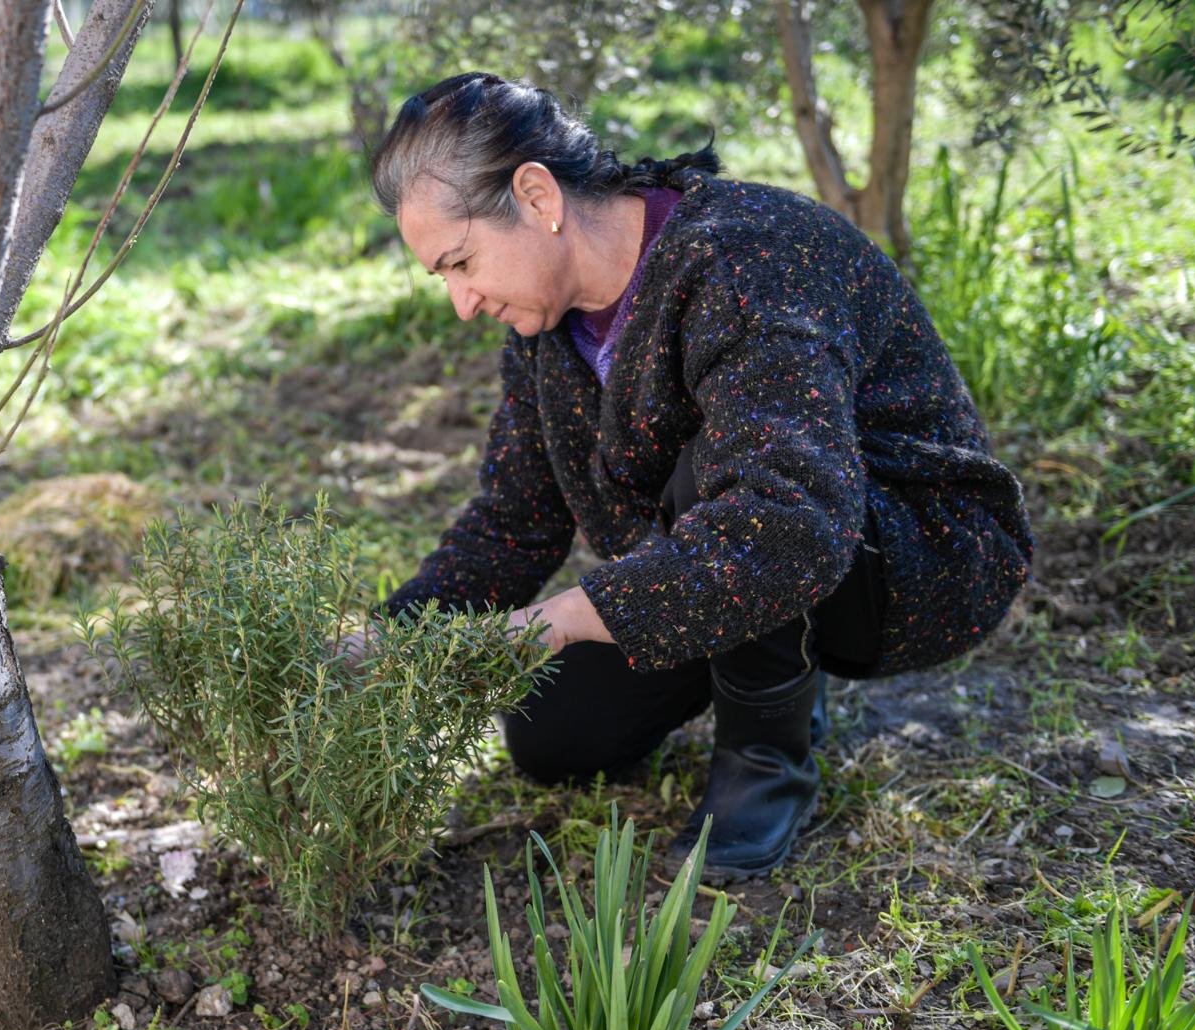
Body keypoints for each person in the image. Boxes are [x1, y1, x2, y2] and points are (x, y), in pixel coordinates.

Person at [365, 72, 1034, 881]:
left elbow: (788, 519)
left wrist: (559, 619)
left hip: (909, 549)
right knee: (554, 737)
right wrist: (387, 640)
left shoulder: (745, 258)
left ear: (538, 197)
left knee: (732, 491)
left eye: (461, 262)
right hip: (729, 550)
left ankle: (766, 765)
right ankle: (773, 656)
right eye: (443, 275)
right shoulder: (544, 333)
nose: (462, 303)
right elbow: (514, 516)